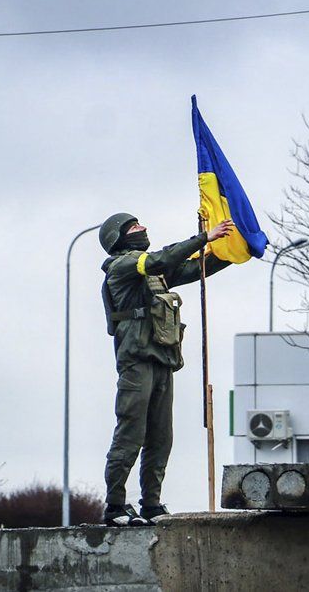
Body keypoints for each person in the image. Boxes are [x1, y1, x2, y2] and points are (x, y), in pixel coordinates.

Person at [97, 212, 234, 526]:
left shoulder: (151, 273)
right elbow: (161, 259)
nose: (143, 228)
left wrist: (235, 252)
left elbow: (193, 268)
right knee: (131, 433)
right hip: (136, 363)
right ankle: (115, 506)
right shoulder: (124, 266)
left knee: (161, 437)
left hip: (162, 360)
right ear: (118, 238)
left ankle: (152, 504)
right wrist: (203, 237)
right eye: (134, 226)